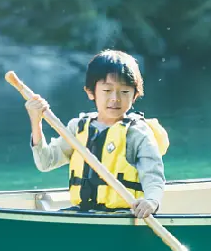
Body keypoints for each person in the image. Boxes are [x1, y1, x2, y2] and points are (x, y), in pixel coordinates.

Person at [25, 50, 168, 218]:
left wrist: (151, 202)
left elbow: (153, 176)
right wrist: (36, 121)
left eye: (124, 92)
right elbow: (46, 162)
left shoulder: (137, 134)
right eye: (107, 90)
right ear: (90, 92)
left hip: (123, 215)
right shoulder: (77, 128)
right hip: (82, 213)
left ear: (135, 95)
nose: (115, 98)